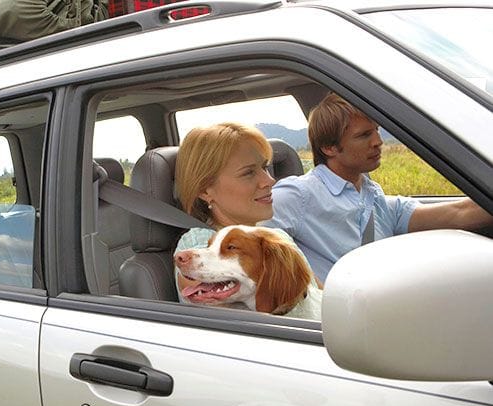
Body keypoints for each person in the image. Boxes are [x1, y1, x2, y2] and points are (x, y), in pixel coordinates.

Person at [263, 93, 493, 282]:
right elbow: (247, 240)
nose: (378, 141)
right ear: (329, 147)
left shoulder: (377, 200)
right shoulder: (299, 194)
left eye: (377, 130)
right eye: (364, 135)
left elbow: (460, 213)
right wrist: (312, 288)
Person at [173, 122, 321, 320]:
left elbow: (320, 296)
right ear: (205, 190)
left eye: (264, 167)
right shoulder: (196, 244)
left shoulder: (277, 236)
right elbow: (229, 315)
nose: (269, 181)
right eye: (248, 172)